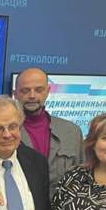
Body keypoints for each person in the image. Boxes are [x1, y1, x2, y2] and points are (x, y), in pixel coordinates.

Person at [14, 67, 84, 197]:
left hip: (62, 207)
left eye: (39, 90)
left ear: (48, 91)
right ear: (15, 94)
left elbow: (82, 179)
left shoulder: (72, 132)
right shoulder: (4, 133)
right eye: (25, 90)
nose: (32, 96)